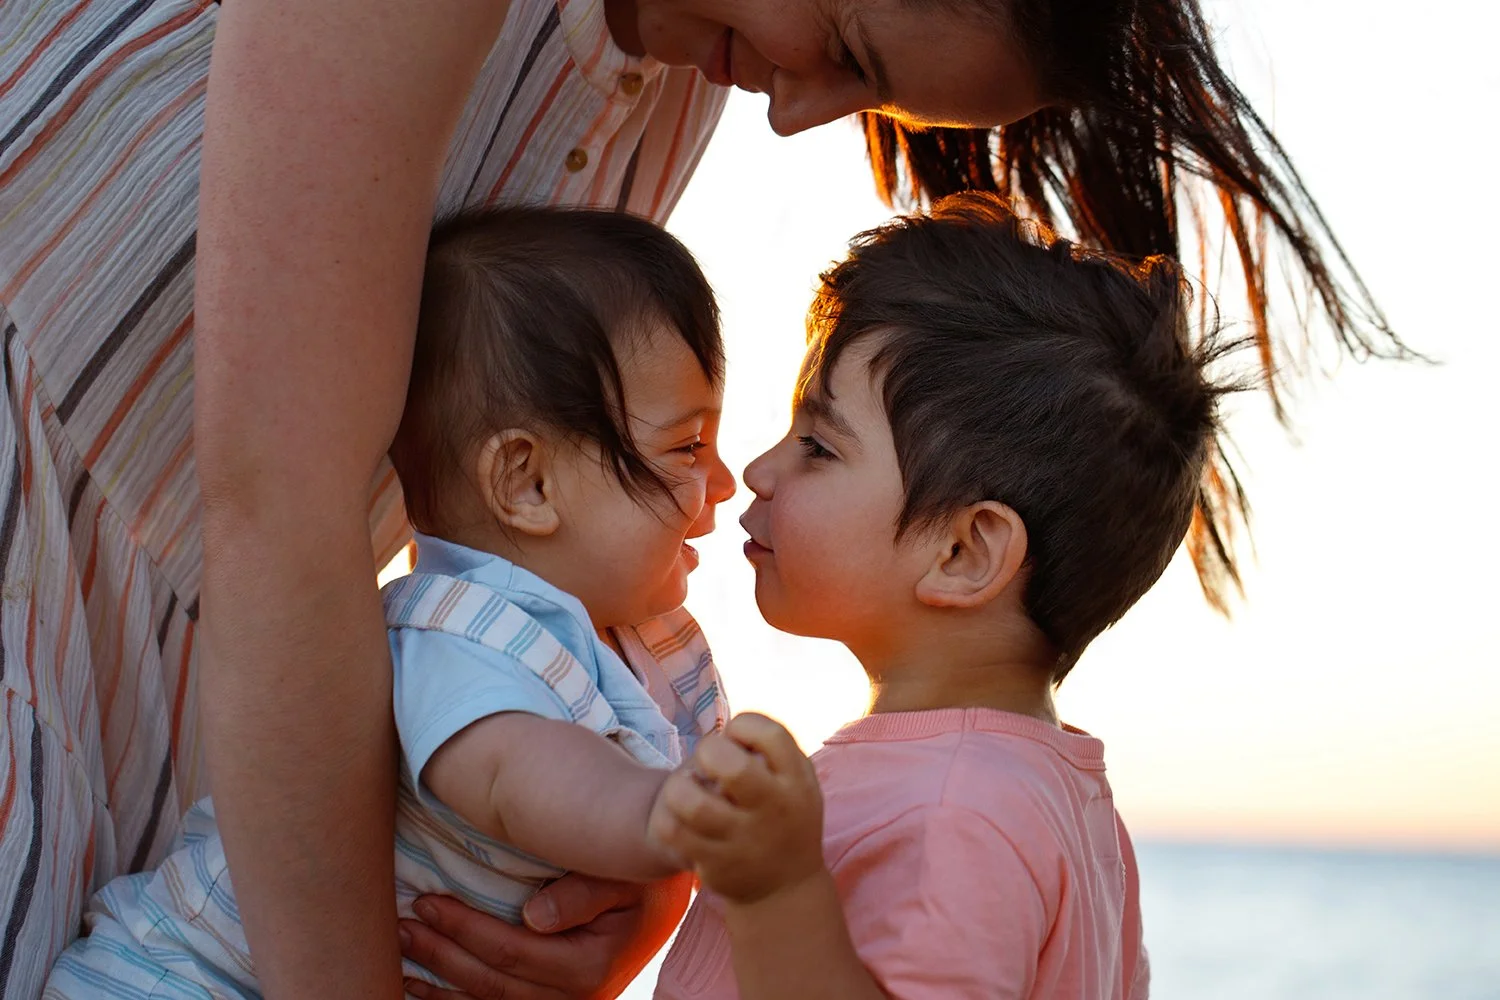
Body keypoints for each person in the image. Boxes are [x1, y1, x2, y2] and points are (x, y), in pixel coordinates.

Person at [0, 0, 1400, 996]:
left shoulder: (679, 68)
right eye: (847, 53)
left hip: (218, 714)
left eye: (861, 96)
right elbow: (285, 501)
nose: (792, 113)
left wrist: (633, 891)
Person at [45, 204, 736, 997]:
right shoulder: (460, 629)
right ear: (527, 482)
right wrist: (675, 815)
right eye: (688, 446)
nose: (719, 483)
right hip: (182, 980)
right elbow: (517, 774)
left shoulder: (649, 644)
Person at [651, 192, 1234, 999]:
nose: (758, 470)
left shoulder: (963, 806)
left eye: (818, 446)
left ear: (964, 552)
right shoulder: (1043, 794)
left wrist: (775, 893)